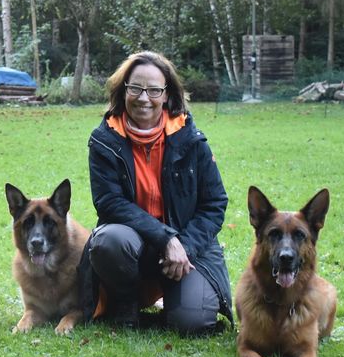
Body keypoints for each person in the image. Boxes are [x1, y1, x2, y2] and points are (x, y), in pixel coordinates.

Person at [79, 51, 233, 334]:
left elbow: (214, 204)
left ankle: (176, 299)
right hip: (132, 242)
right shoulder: (104, 140)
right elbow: (109, 203)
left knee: (192, 323)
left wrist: (183, 245)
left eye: (154, 90)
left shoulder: (191, 139)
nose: (143, 98)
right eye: (135, 88)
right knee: (109, 239)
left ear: (167, 94)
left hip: (186, 246)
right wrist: (165, 238)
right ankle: (126, 302)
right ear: (123, 90)